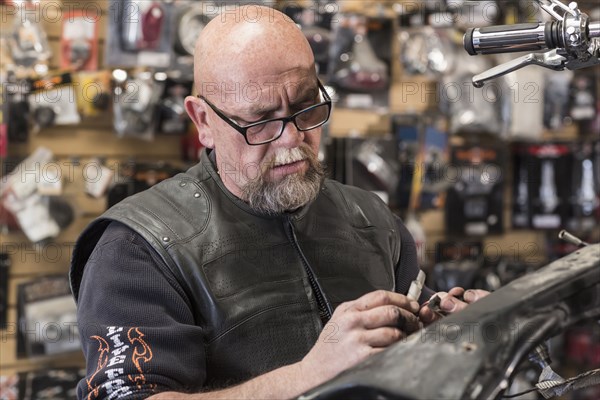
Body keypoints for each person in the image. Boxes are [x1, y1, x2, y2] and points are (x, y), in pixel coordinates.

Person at [70, 6, 485, 400]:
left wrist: (452, 334)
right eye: (261, 120)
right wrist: (308, 375)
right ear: (203, 121)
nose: (292, 139)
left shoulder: (373, 220)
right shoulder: (136, 249)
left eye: (306, 107)